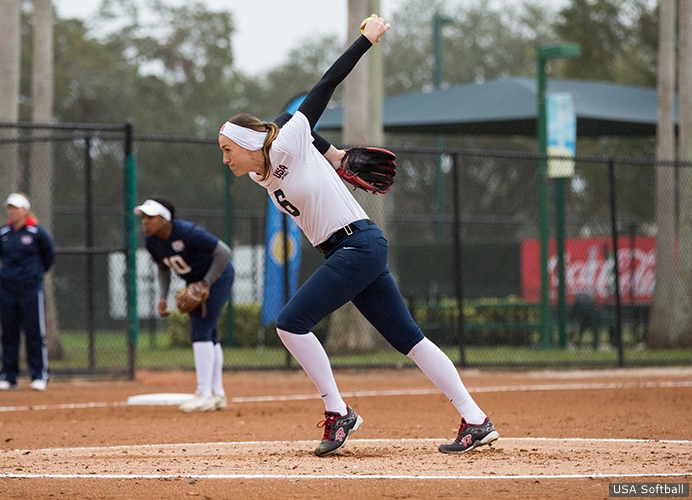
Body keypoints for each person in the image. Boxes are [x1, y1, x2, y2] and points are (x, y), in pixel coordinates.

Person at [217, 14, 499, 456]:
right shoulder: (263, 173)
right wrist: (330, 154)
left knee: (291, 324)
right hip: (347, 250)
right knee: (411, 339)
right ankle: (476, 419)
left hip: (358, 243)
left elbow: (321, 90)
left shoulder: (288, 140)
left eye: (227, 149)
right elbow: (283, 123)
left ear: (249, 144)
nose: (225, 158)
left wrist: (364, 41)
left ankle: (338, 412)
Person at [134, 197, 235, 412]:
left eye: (150, 217)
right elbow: (163, 268)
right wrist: (162, 296)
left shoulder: (187, 232)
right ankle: (217, 394)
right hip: (195, 283)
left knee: (201, 330)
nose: (145, 222)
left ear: (163, 219)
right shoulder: (151, 241)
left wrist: (206, 283)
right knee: (210, 335)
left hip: (217, 276)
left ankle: (204, 394)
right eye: (143, 218)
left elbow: (224, 252)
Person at [0, 193, 54, 391]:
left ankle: (39, 375)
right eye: (10, 207)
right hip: (7, 289)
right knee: (9, 333)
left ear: (25, 210)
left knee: (34, 332)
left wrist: (34, 275)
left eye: (16, 207)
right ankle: (9, 376)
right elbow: (1, 255)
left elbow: (49, 257)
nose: (12, 211)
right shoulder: (3, 233)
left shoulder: (37, 232)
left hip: (30, 289)